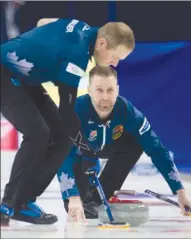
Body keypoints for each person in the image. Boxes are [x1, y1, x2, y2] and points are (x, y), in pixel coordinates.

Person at [0, 18, 135, 226]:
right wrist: (87, 150)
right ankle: (8, 204)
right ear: (102, 44)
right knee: (38, 134)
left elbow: (44, 21)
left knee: (62, 137)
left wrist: (46, 52)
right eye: (115, 56)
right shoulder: (77, 53)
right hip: (5, 73)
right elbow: (67, 110)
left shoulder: (84, 28)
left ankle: (23, 202)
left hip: (25, 77)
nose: (115, 64)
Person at [57, 65, 191, 222]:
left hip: (112, 147)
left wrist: (180, 192)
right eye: (99, 90)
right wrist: (72, 196)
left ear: (117, 90)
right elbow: (61, 154)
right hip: (81, 153)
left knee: (136, 142)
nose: (105, 97)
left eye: (110, 90)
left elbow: (157, 150)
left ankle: (99, 196)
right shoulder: (74, 110)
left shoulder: (128, 112)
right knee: (77, 205)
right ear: (89, 90)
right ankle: (84, 191)